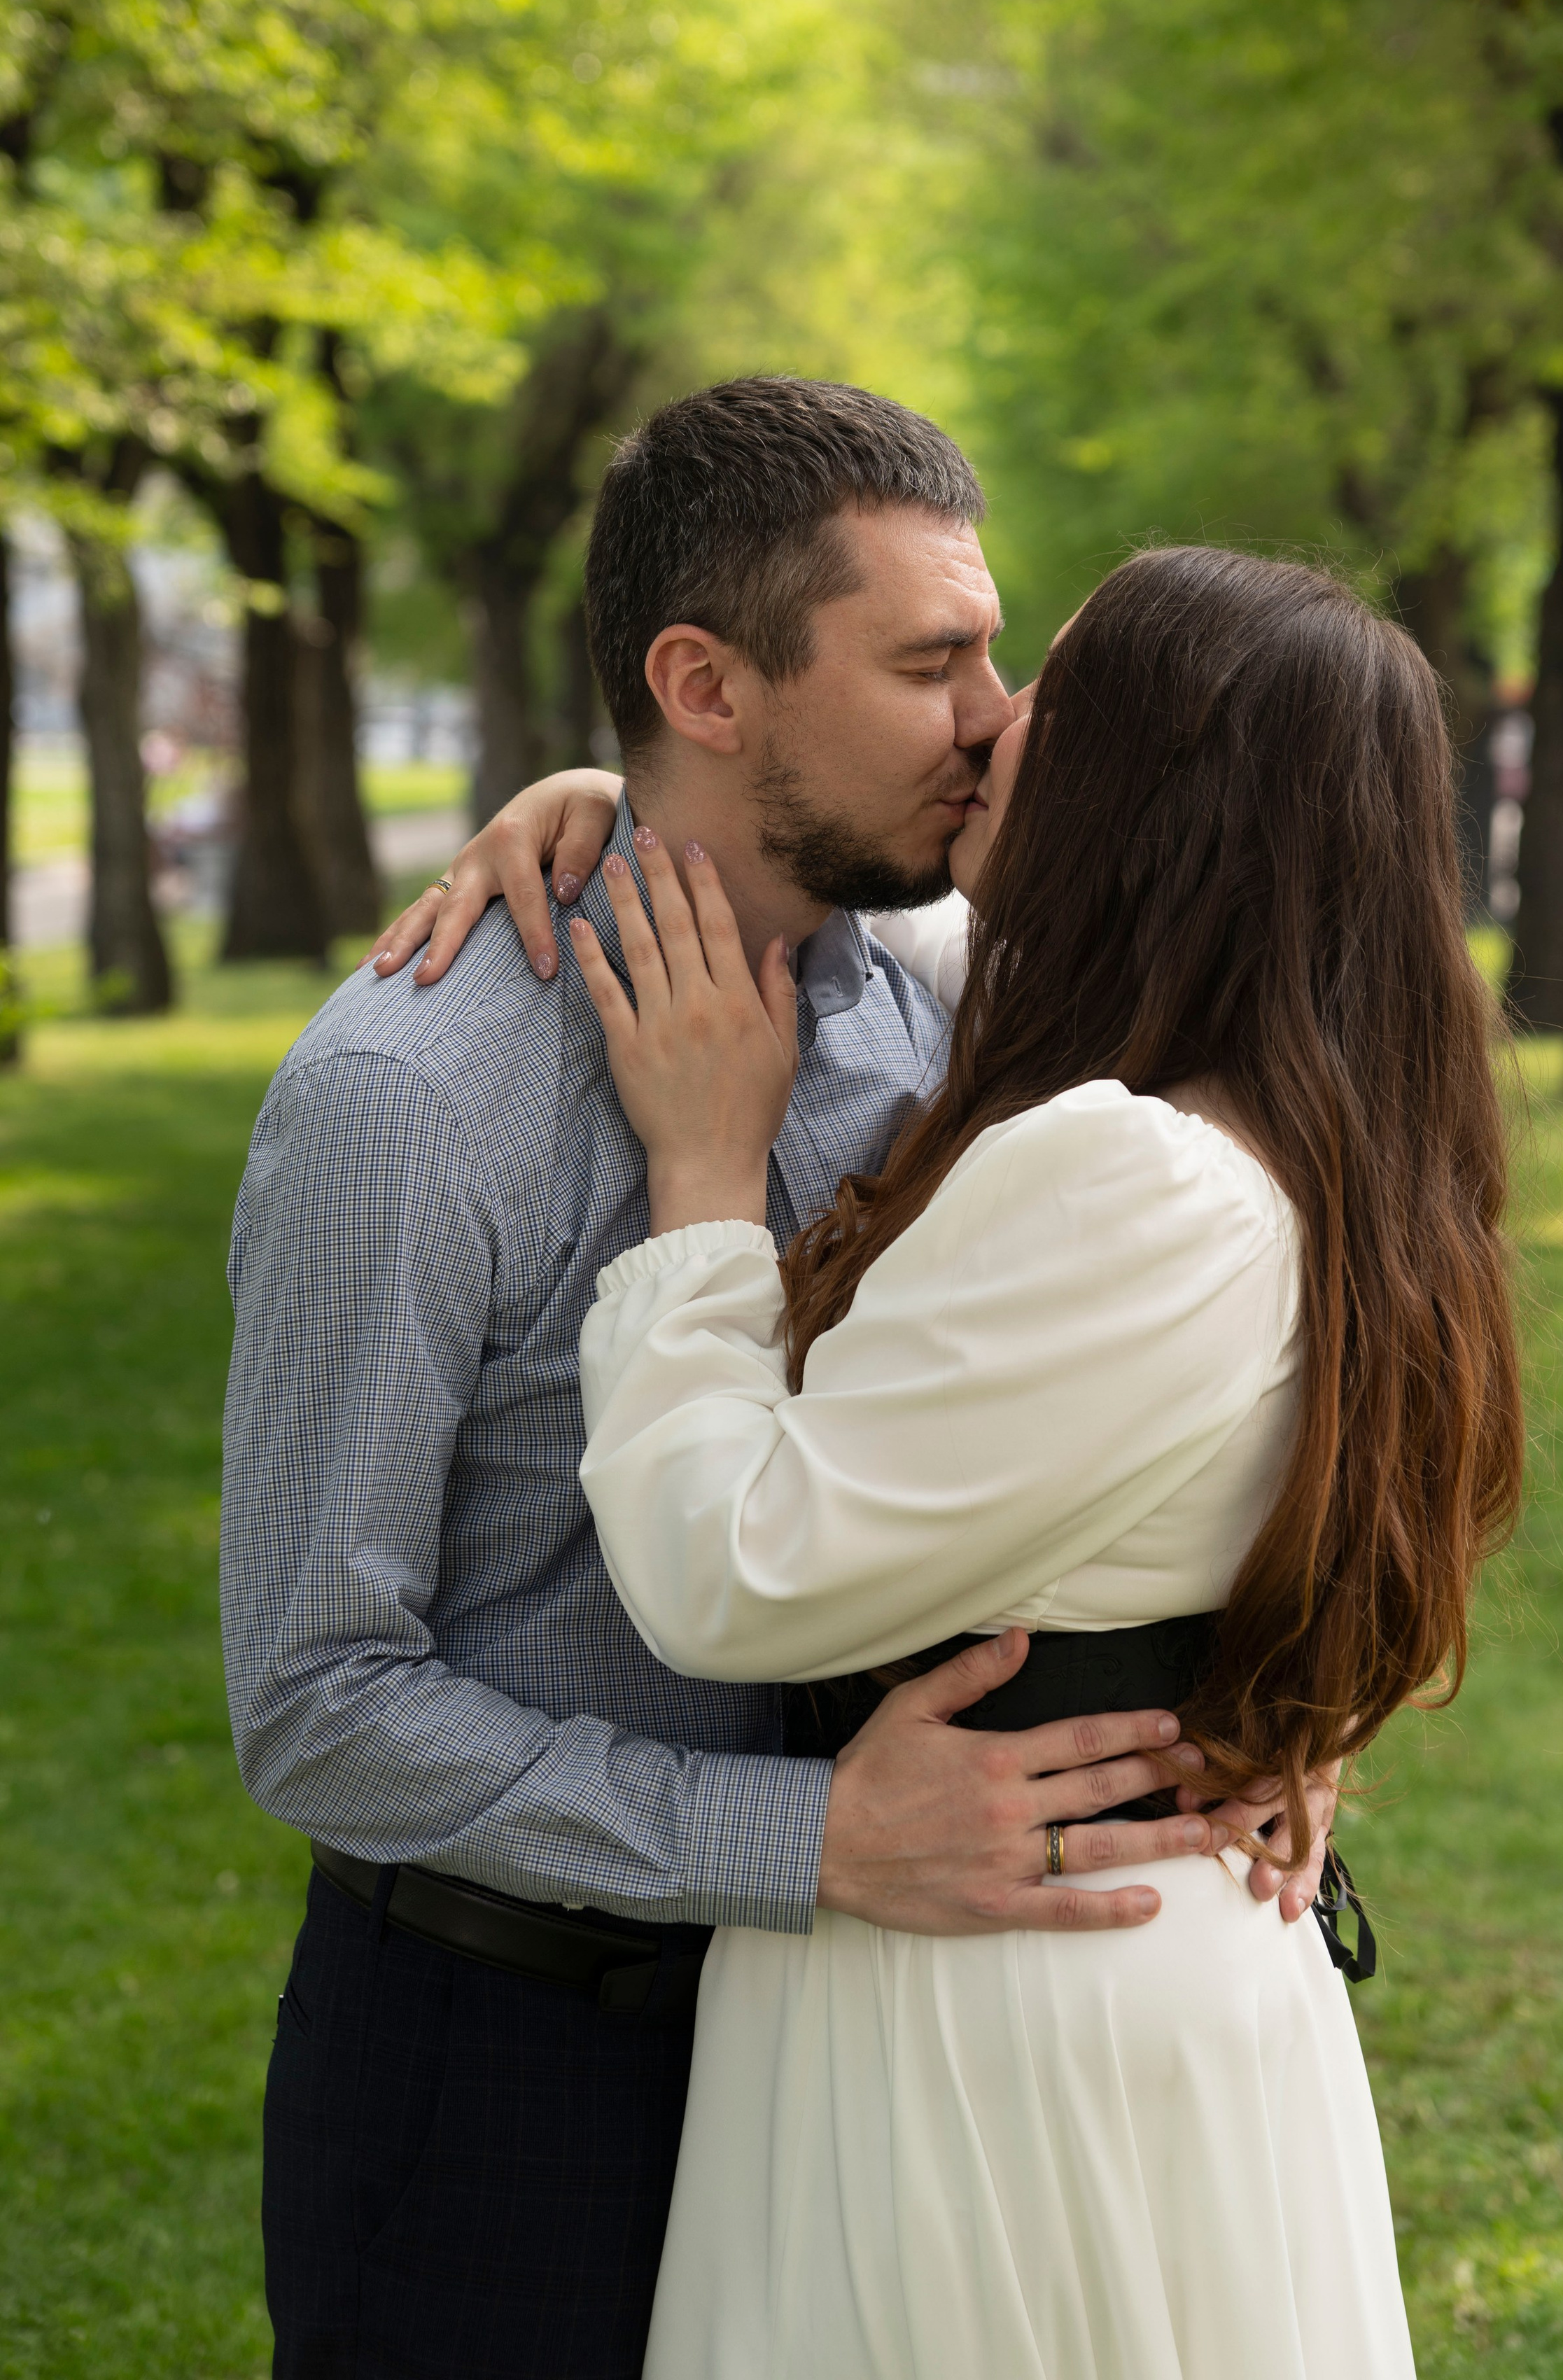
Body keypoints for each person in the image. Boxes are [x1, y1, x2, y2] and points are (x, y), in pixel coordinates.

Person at [222, 380, 1326, 2380]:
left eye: (993, 650)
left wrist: (1259, 1692)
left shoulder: (940, 997)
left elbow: (1170, 1344)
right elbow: (313, 1707)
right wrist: (799, 1844)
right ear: (707, 688)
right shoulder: (407, 1107)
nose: (999, 719)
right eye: (933, 664)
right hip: (514, 2078)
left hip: (879, 2057)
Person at [412, 544, 1525, 2376]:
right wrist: (638, 801)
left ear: (1151, 801)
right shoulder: (1309, 1114)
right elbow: (911, 903)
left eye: (1049, 699)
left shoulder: (1132, 1168)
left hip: (990, 2003)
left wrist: (699, 1189)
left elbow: (731, 1569)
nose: (991, 729)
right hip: (1111, 1945)